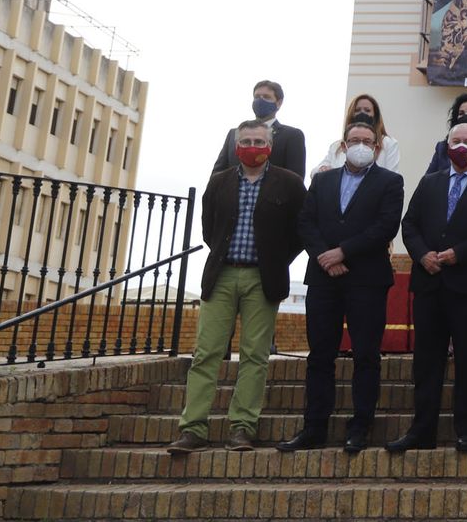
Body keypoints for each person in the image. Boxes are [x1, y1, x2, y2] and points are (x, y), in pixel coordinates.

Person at [170, 120, 307, 454]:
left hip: (263, 279)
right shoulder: (218, 183)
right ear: (235, 146)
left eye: (259, 140)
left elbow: (300, 231)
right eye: (245, 140)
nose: (252, 145)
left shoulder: (289, 184)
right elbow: (208, 229)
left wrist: (276, 261)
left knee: (255, 356)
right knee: (206, 353)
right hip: (222, 276)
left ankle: (243, 427)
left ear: (270, 145)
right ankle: (193, 428)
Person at [279, 119, 405, 454]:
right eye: (354, 139)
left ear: (376, 146)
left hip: (367, 280)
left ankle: (360, 426)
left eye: (367, 140)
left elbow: (386, 226)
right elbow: (305, 221)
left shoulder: (391, 182)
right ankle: (314, 426)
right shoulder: (322, 181)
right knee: (320, 355)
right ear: (344, 145)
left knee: (366, 355)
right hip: (323, 279)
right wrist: (324, 256)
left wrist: (343, 252)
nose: (360, 144)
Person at [389, 121, 467, 453]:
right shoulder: (430, 183)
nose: (460, 146)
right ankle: (422, 430)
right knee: (426, 361)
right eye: (455, 140)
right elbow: (410, 223)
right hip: (429, 283)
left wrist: (460, 253)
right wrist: (421, 254)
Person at [212, 80, 306, 179]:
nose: (260, 101)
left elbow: (296, 179)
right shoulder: (234, 133)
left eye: (266, 97)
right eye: (257, 97)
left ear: (279, 103)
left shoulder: (292, 135)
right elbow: (218, 173)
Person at [314, 94, 401, 174]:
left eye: (367, 110)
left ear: (375, 115)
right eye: (357, 110)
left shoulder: (388, 143)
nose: (362, 113)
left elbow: (392, 174)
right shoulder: (337, 146)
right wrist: (323, 169)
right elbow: (316, 171)